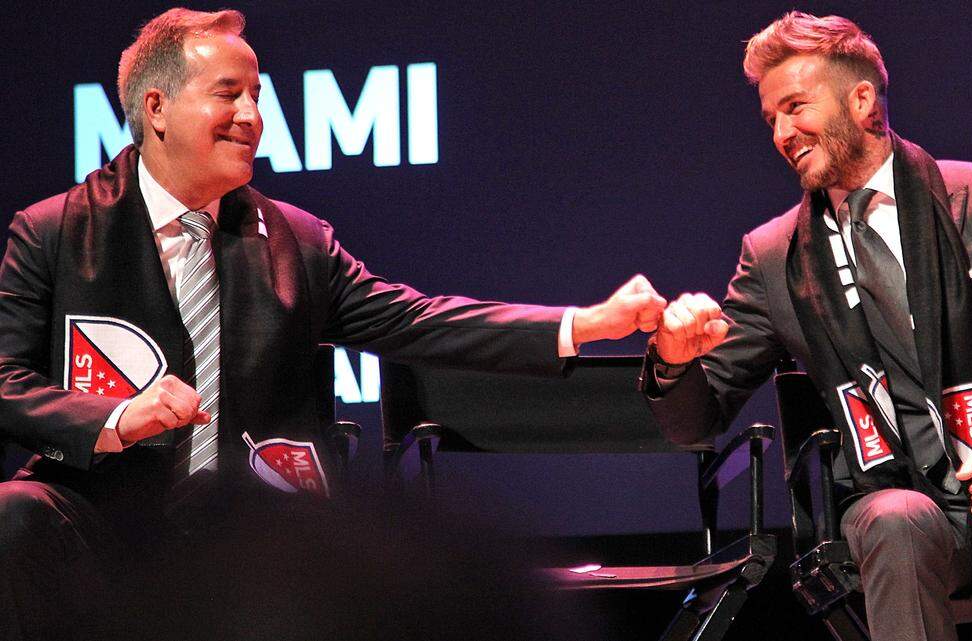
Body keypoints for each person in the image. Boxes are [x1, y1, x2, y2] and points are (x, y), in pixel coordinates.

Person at [0, 8, 665, 639]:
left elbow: (420, 321)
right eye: (229, 94)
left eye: (258, 96)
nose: (253, 117)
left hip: (248, 520)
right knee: (14, 513)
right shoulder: (56, 231)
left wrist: (584, 322)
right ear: (157, 108)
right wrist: (112, 420)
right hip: (103, 512)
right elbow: (5, 379)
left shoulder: (299, 242)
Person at [643, 11, 972, 641]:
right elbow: (697, 420)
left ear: (863, 100)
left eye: (796, 107)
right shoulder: (774, 258)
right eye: (771, 119)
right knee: (897, 520)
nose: (782, 132)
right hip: (904, 512)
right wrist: (672, 358)